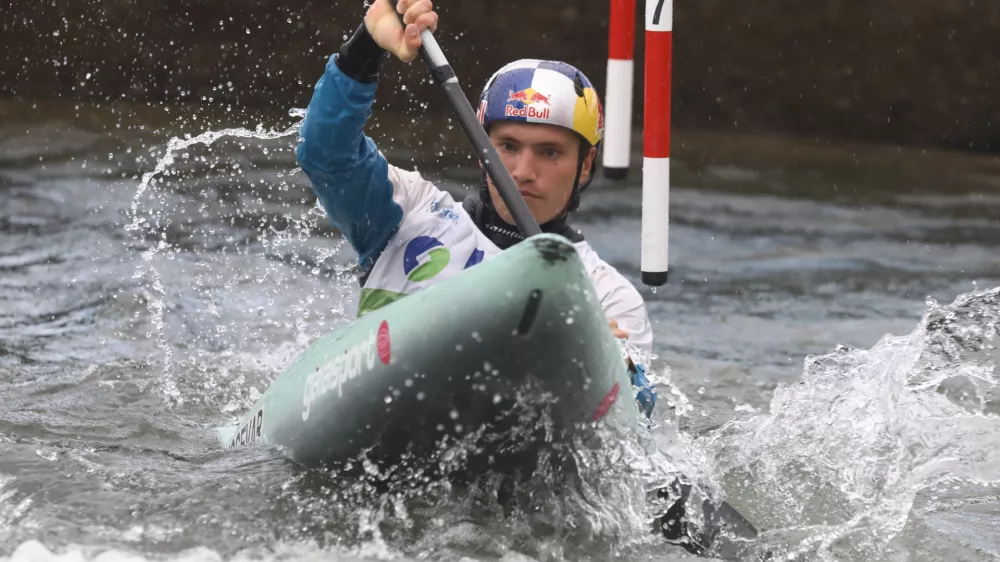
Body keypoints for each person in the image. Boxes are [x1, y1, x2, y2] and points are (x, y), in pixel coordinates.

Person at [295, 0, 652, 358]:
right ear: (483, 147)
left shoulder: (607, 297)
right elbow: (326, 156)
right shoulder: (409, 214)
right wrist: (364, 50)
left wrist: (596, 360)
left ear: (585, 163)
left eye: (549, 152)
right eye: (508, 146)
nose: (523, 172)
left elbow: (633, 406)